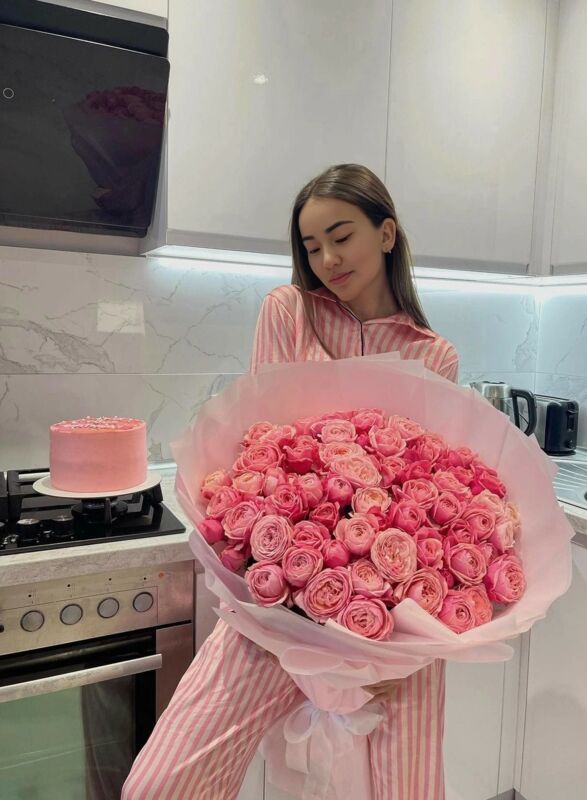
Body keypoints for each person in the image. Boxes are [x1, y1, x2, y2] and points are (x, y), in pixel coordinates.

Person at [121, 163, 459, 800]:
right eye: (311, 246)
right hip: (280, 601)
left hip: (393, 620)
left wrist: (402, 649)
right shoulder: (289, 311)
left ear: (387, 234)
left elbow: (428, 486)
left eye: (342, 236)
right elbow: (262, 452)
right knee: (162, 784)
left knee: (408, 790)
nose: (328, 259)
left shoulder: (433, 355)